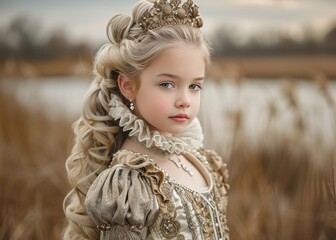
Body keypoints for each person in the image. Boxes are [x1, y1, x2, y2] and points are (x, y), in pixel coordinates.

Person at [63, 0, 230, 239]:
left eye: (194, 86)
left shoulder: (202, 161)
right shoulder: (127, 183)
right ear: (128, 86)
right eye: (167, 84)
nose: (185, 100)